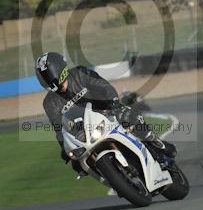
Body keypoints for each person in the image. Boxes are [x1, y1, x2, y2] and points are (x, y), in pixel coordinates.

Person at [35, 52, 176, 174]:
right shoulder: (49, 103)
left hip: (106, 111)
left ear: (61, 71)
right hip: (85, 131)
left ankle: (158, 143)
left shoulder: (80, 73)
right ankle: (113, 177)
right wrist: (65, 147)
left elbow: (104, 86)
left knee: (129, 116)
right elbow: (59, 128)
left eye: (58, 82)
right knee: (78, 163)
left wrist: (113, 101)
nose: (60, 88)